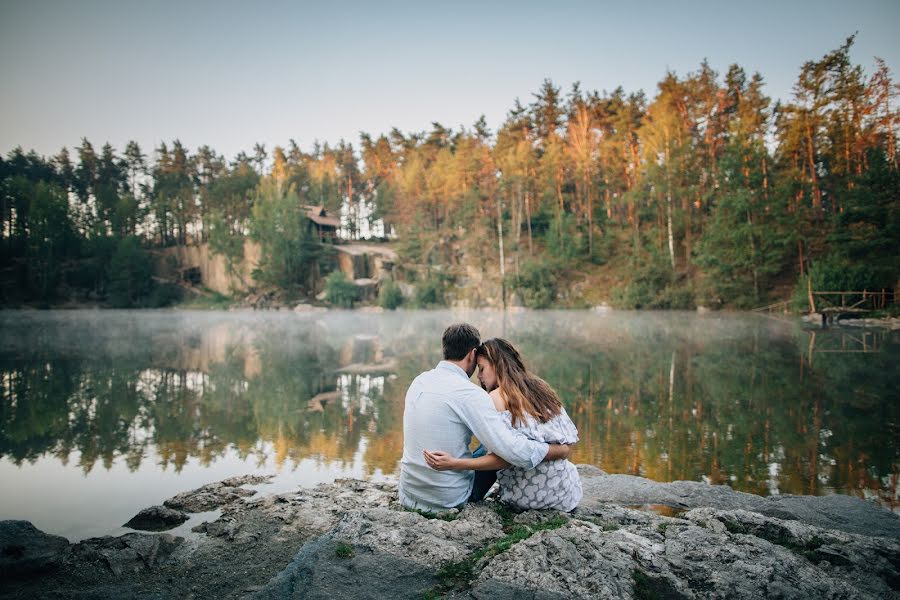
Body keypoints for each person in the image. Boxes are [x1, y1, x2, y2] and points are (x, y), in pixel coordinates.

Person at [399, 324, 572, 512]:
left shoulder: (419, 381)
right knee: (495, 443)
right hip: (448, 499)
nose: (479, 376)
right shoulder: (470, 394)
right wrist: (558, 450)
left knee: (489, 441)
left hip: (409, 494)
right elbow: (513, 454)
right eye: (479, 368)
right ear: (472, 354)